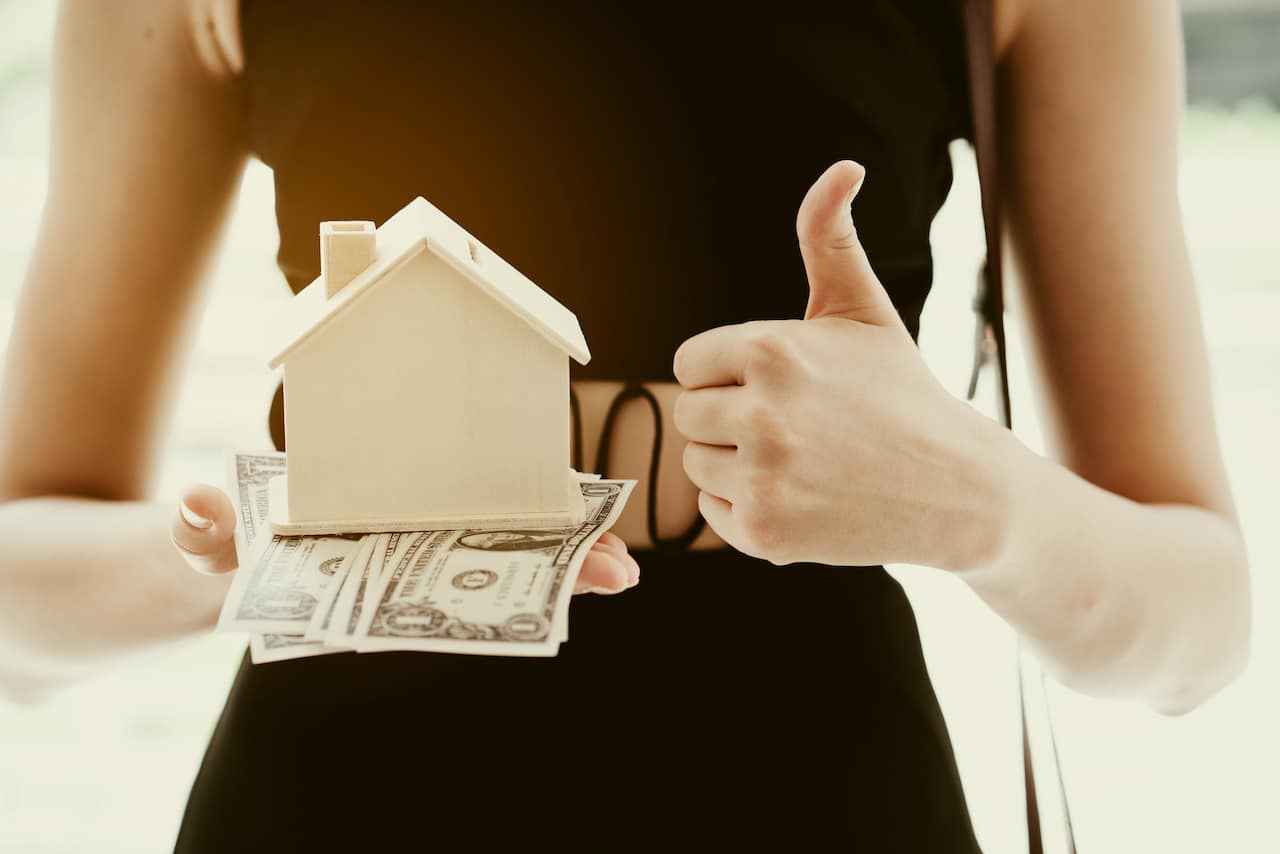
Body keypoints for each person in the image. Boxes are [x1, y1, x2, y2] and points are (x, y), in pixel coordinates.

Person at [0, 0, 1251, 850]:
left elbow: (1198, 628)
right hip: (334, 803)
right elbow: (16, 599)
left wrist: (984, 502)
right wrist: (245, 561)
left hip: (823, 805)